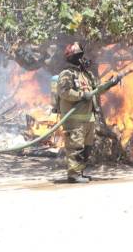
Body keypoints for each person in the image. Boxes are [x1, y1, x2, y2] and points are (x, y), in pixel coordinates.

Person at [57, 42, 101, 183]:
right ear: (73, 58)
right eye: (79, 56)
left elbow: (97, 90)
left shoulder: (87, 75)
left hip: (88, 119)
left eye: (82, 55)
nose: (82, 59)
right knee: (75, 148)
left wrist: (112, 82)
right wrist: (81, 95)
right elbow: (64, 92)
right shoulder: (67, 74)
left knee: (86, 149)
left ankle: (79, 173)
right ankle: (73, 175)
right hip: (74, 120)